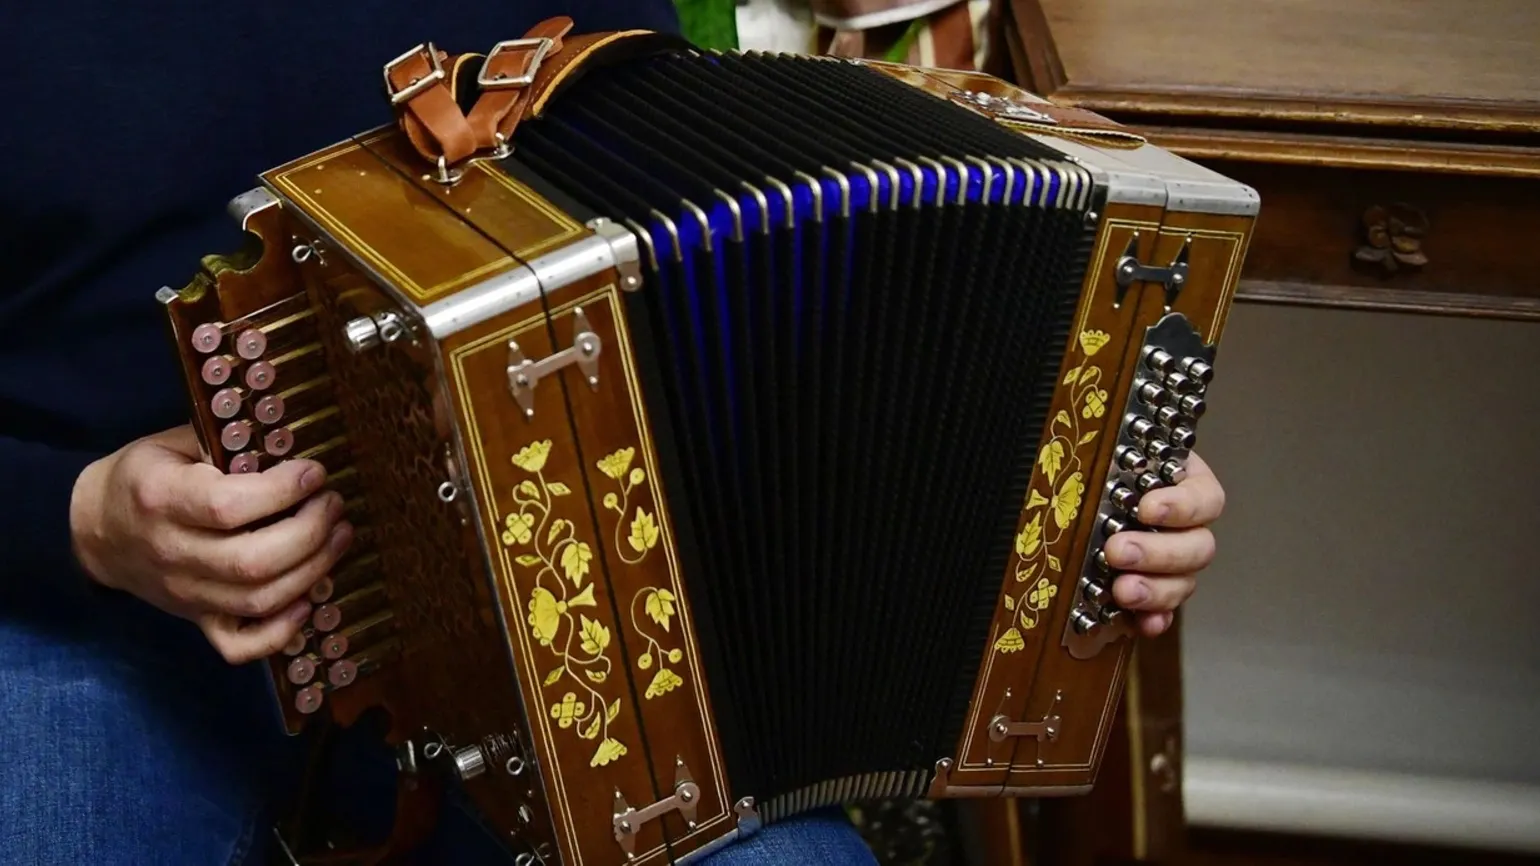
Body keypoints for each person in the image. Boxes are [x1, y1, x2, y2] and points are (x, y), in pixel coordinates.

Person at [0, 2, 1226, 863]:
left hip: (567, 648)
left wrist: (1068, 445)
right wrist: (85, 518)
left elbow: (735, 259)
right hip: (98, 625)